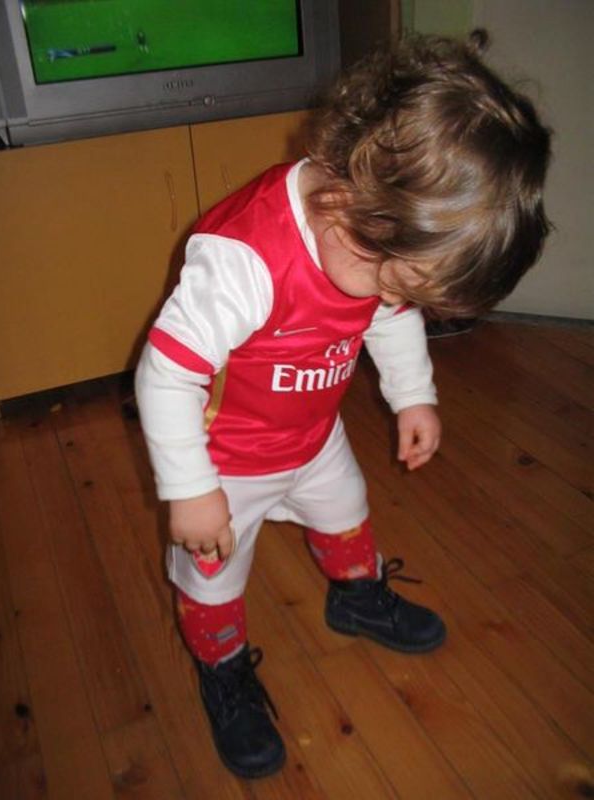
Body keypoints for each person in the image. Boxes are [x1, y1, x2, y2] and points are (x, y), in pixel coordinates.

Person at [135, 29, 551, 779]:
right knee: (212, 579)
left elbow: (389, 314)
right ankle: (221, 667)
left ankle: (356, 598)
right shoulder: (243, 260)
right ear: (348, 196)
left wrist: (413, 396)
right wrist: (191, 490)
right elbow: (165, 374)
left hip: (313, 434)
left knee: (348, 513)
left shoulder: (373, 240)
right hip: (226, 463)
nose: (395, 301)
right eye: (394, 281)